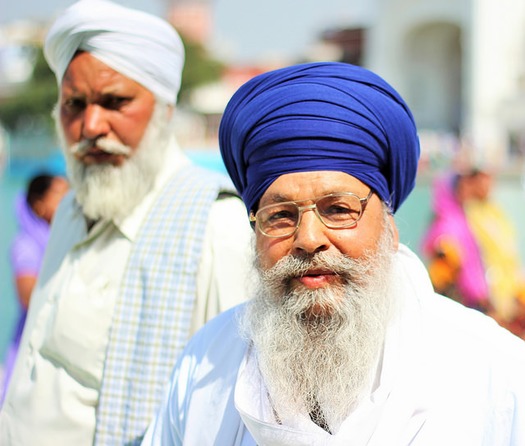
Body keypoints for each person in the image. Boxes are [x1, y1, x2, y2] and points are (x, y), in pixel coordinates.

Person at [143, 62, 525, 445]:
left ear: (389, 227)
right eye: (279, 216)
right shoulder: (207, 362)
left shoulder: (496, 373)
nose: (308, 239)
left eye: (339, 209)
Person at [0, 1, 251, 444]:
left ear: (164, 109)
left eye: (115, 102)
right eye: (73, 104)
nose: (90, 125)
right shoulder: (72, 210)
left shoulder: (215, 225)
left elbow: (232, 415)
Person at [1, 173, 68, 405]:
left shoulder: (63, 239)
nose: (69, 199)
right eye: (60, 193)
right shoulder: (26, 245)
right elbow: (27, 296)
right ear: (39, 205)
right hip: (32, 343)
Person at [421, 171, 490, 311]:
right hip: (462, 301)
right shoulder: (446, 224)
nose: (465, 191)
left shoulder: (460, 218)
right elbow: (452, 265)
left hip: (474, 297)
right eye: (461, 186)